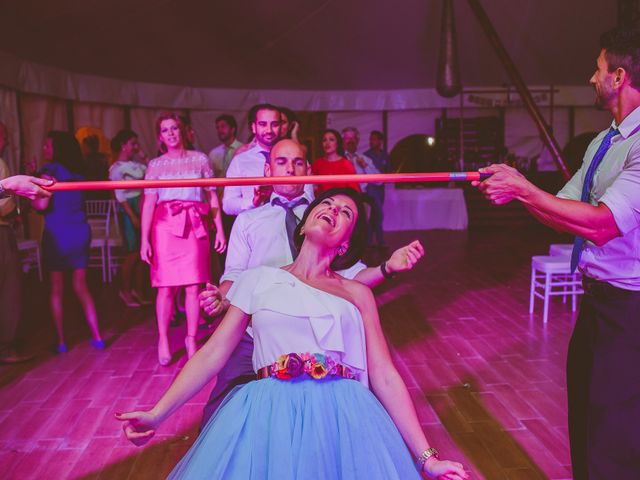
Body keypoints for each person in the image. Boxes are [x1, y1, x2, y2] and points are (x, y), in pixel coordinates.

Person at [116, 187, 467, 480]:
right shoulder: (257, 280)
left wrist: (427, 458)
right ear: (301, 227)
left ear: (345, 244)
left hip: (342, 416)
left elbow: (385, 376)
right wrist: (157, 414)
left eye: (345, 212)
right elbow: (212, 354)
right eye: (326, 204)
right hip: (268, 413)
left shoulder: (356, 293)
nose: (332, 209)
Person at [474, 26, 640, 480]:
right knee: (587, 419)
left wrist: (524, 189)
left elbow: (602, 225)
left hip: (631, 309)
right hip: (598, 303)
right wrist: (518, 192)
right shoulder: (601, 142)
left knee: (616, 432)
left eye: (598, 68)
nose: (591, 78)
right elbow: (565, 211)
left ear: (619, 76)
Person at [198, 139, 425, 425]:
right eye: (282, 162)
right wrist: (223, 298)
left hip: (313, 338)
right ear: (268, 170)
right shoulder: (248, 220)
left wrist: (386, 268)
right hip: (257, 332)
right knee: (220, 415)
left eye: (298, 163)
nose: (290, 170)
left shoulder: (325, 218)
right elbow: (235, 276)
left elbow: (351, 278)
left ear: (308, 169)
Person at [140, 113, 226, 365]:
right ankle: (163, 338)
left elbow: (212, 197)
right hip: (165, 226)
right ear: (160, 136)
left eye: (174, 128)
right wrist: (144, 240)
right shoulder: (155, 165)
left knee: (193, 286)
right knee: (165, 287)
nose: (171, 133)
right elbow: (148, 204)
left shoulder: (200, 159)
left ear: (182, 130)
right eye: (165, 130)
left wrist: (219, 229)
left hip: (194, 225)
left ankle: (191, 338)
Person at [32, 131, 104, 353]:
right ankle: (97, 336)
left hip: (58, 233)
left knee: (56, 289)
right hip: (80, 232)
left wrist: (32, 182)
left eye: (47, 145)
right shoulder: (78, 173)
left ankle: (62, 342)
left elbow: (41, 206)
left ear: (57, 149)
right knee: (82, 287)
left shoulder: (49, 172)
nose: (44, 149)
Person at [108, 129, 150, 308]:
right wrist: (132, 215)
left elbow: (153, 174)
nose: (135, 147)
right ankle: (125, 290)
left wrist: (144, 156)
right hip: (129, 209)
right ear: (123, 145)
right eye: (133, 143)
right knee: (132, 253)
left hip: (142, 205)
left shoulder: (138, 166)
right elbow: (119, 194)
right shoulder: (116, 168)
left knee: (143, 253)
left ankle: (138, 291)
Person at [222, 104, 282, 215]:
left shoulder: (294, 159)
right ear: (253, 127)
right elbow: (227, 205)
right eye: (263, 124)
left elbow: (308, 197)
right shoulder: (240, 161)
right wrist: (253, 202)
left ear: (281, 127)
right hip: (252, 227)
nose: (269, 130)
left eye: (274, 124)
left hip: (286, 226)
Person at [343, 127, 384, 247]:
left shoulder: (364, 159)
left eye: (353, 138)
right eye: (347, 138)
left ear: (357, 141)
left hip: (361, 199)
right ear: (342, 141)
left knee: (362, 230)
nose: (350, 141)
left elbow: (379, 181)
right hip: (342, 199)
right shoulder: (338, 158)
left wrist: (365, 166)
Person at [311, 129, 361, 194]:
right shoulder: (317, 164)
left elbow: (354, 190)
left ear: (337, 144)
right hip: (322, 202)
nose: (327, 143)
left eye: (331, 140)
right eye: (324, 140)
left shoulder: (346, 164)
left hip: (342, 201)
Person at [364, 130, 391, 247]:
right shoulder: (366, 156)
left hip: (381, 190)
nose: (371, 141)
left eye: (374, 139)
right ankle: (378, 241)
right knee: (377, 214)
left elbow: (389, 170)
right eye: (370, 139)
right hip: (370, 189)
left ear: (380, 141)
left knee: (375, 215)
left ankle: (370, 242)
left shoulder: (385, 155)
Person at [207, 114, 243, 182]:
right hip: (219, 192)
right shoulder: (214, 153)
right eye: (217, 127)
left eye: (223, 126)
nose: (219, 130)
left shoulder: (243, 150)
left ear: (233, 129)